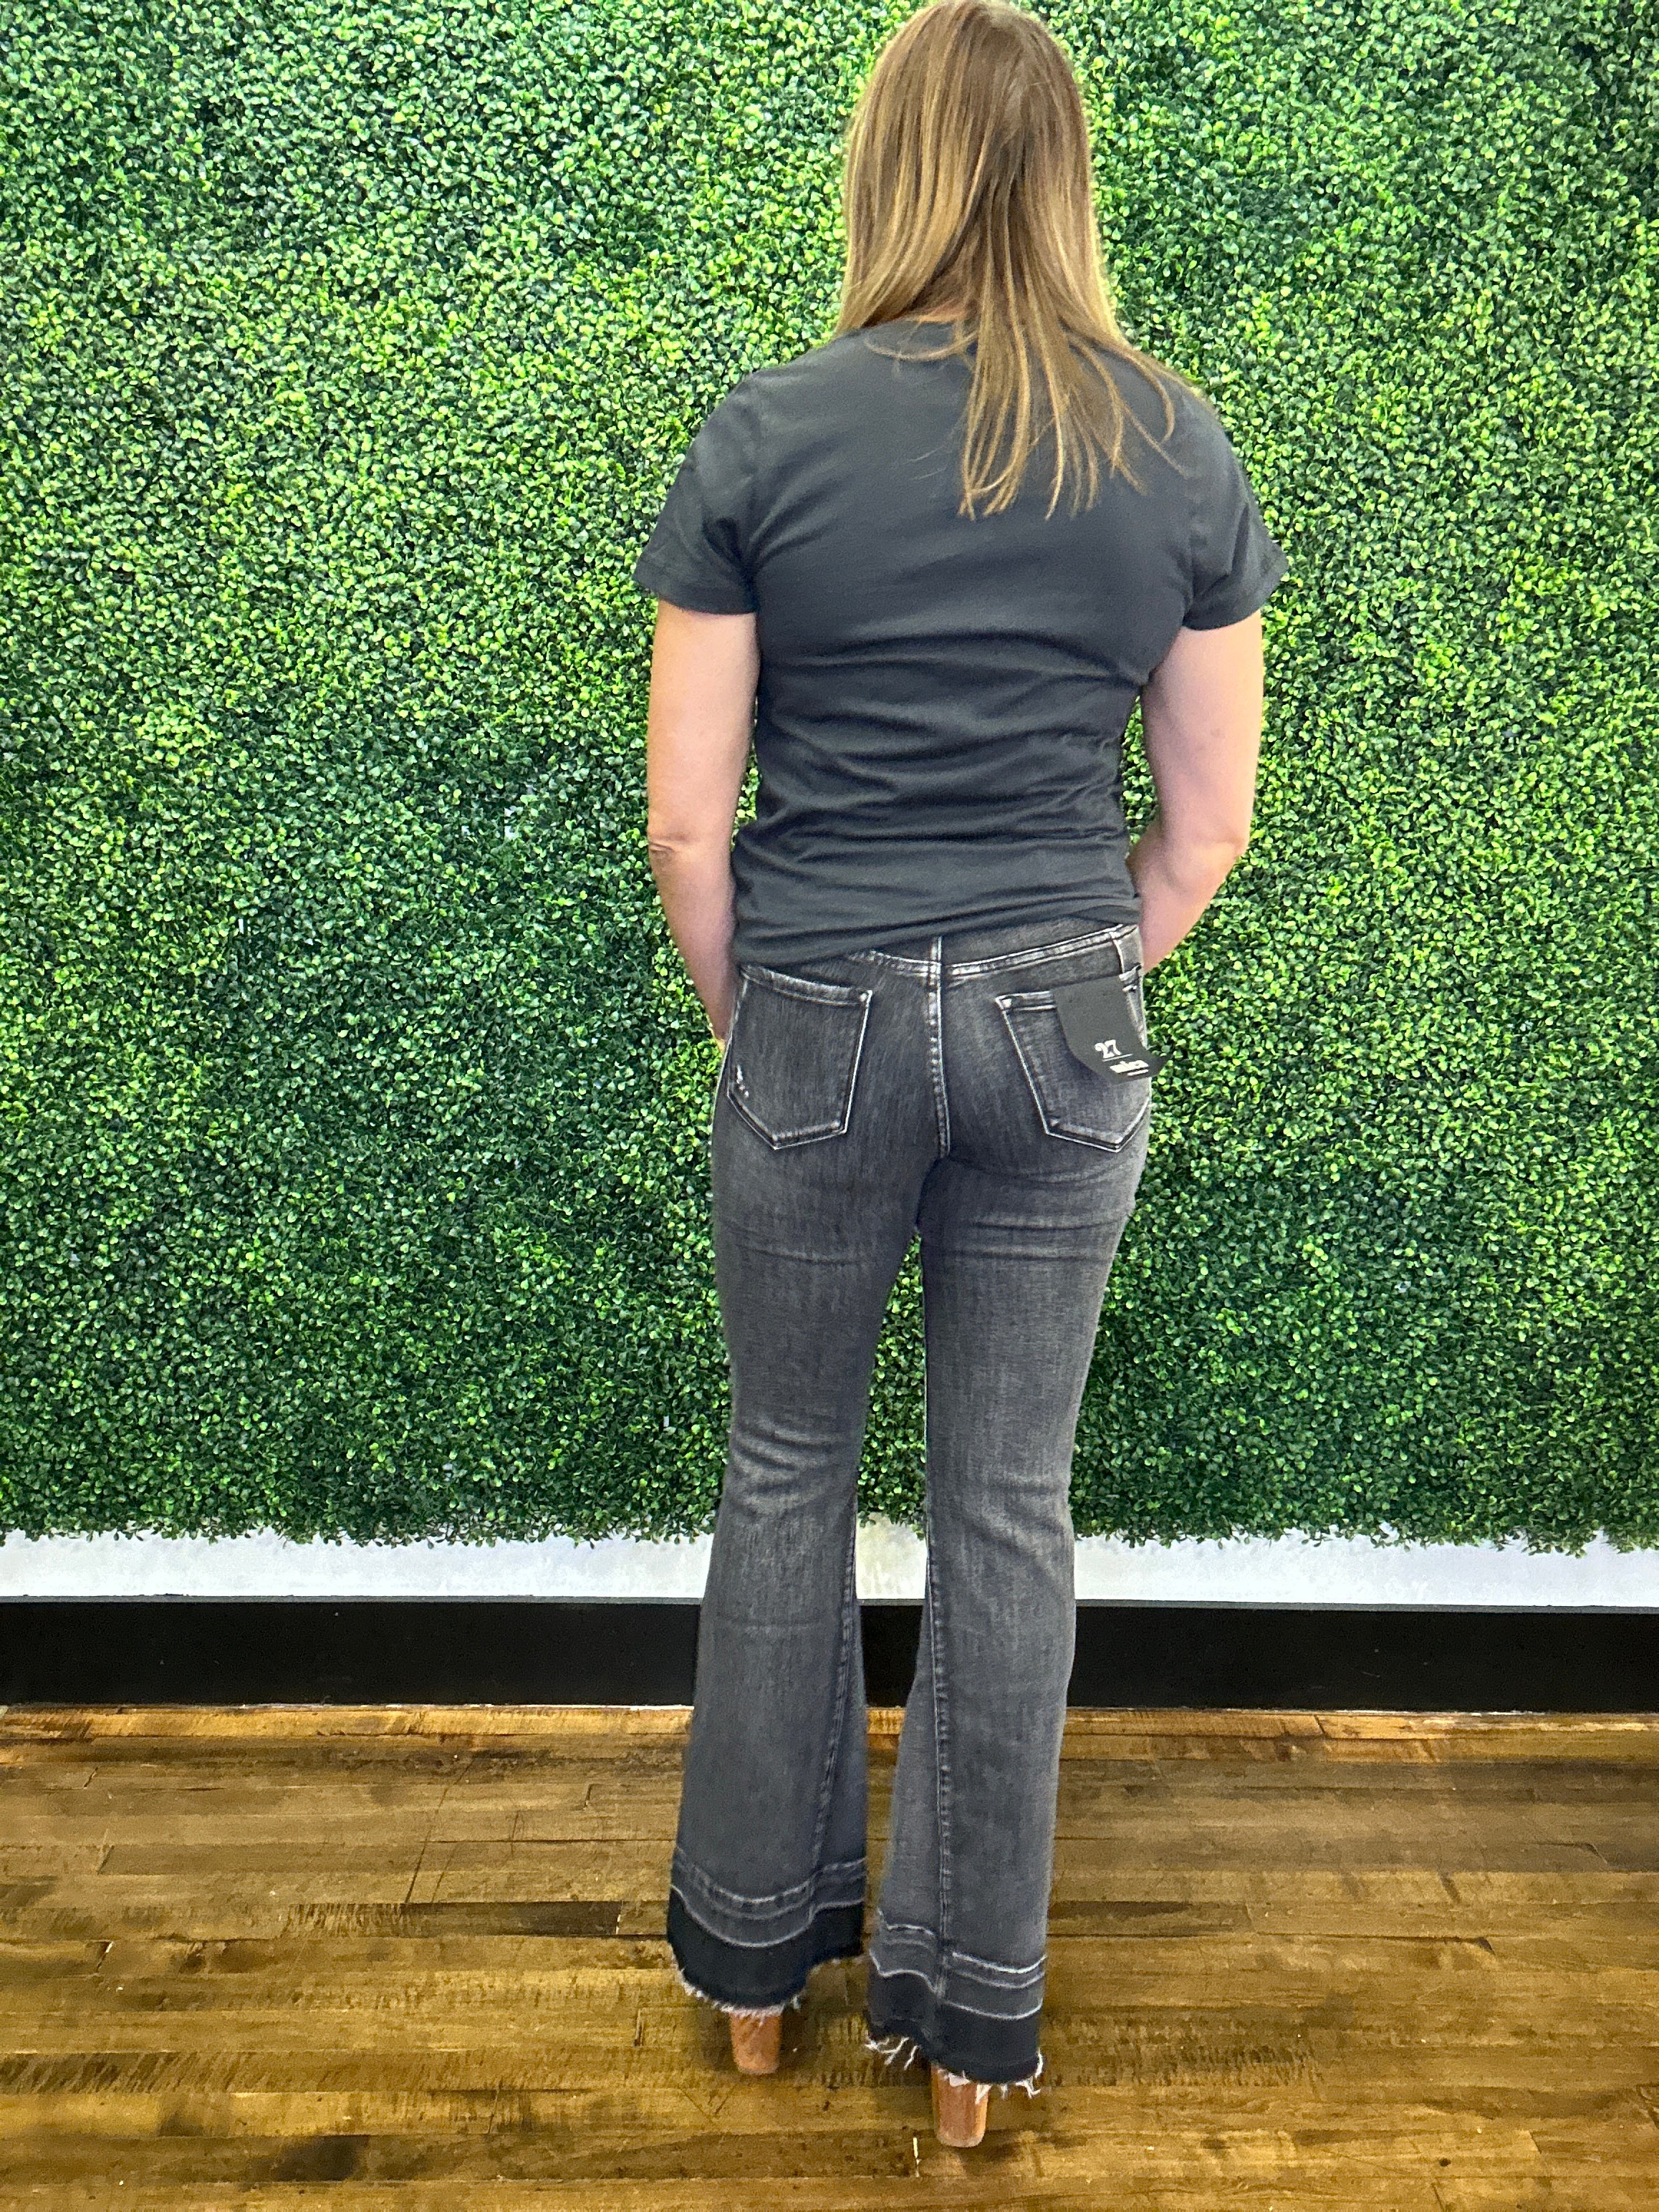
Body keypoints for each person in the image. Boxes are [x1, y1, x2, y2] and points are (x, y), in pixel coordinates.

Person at [632, 0, 1287, 2151]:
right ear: (1064, 178)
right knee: (1009, 1506)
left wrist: (756, 1014)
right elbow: (1205, 828)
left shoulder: (768, 432)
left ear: (885, 167)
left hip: (815, 997)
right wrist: (1071, 970)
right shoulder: (1174, 446)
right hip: (1060, 1009)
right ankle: (971, 2047)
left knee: (782, 1471)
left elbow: (686, 827)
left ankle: (756, 1979)